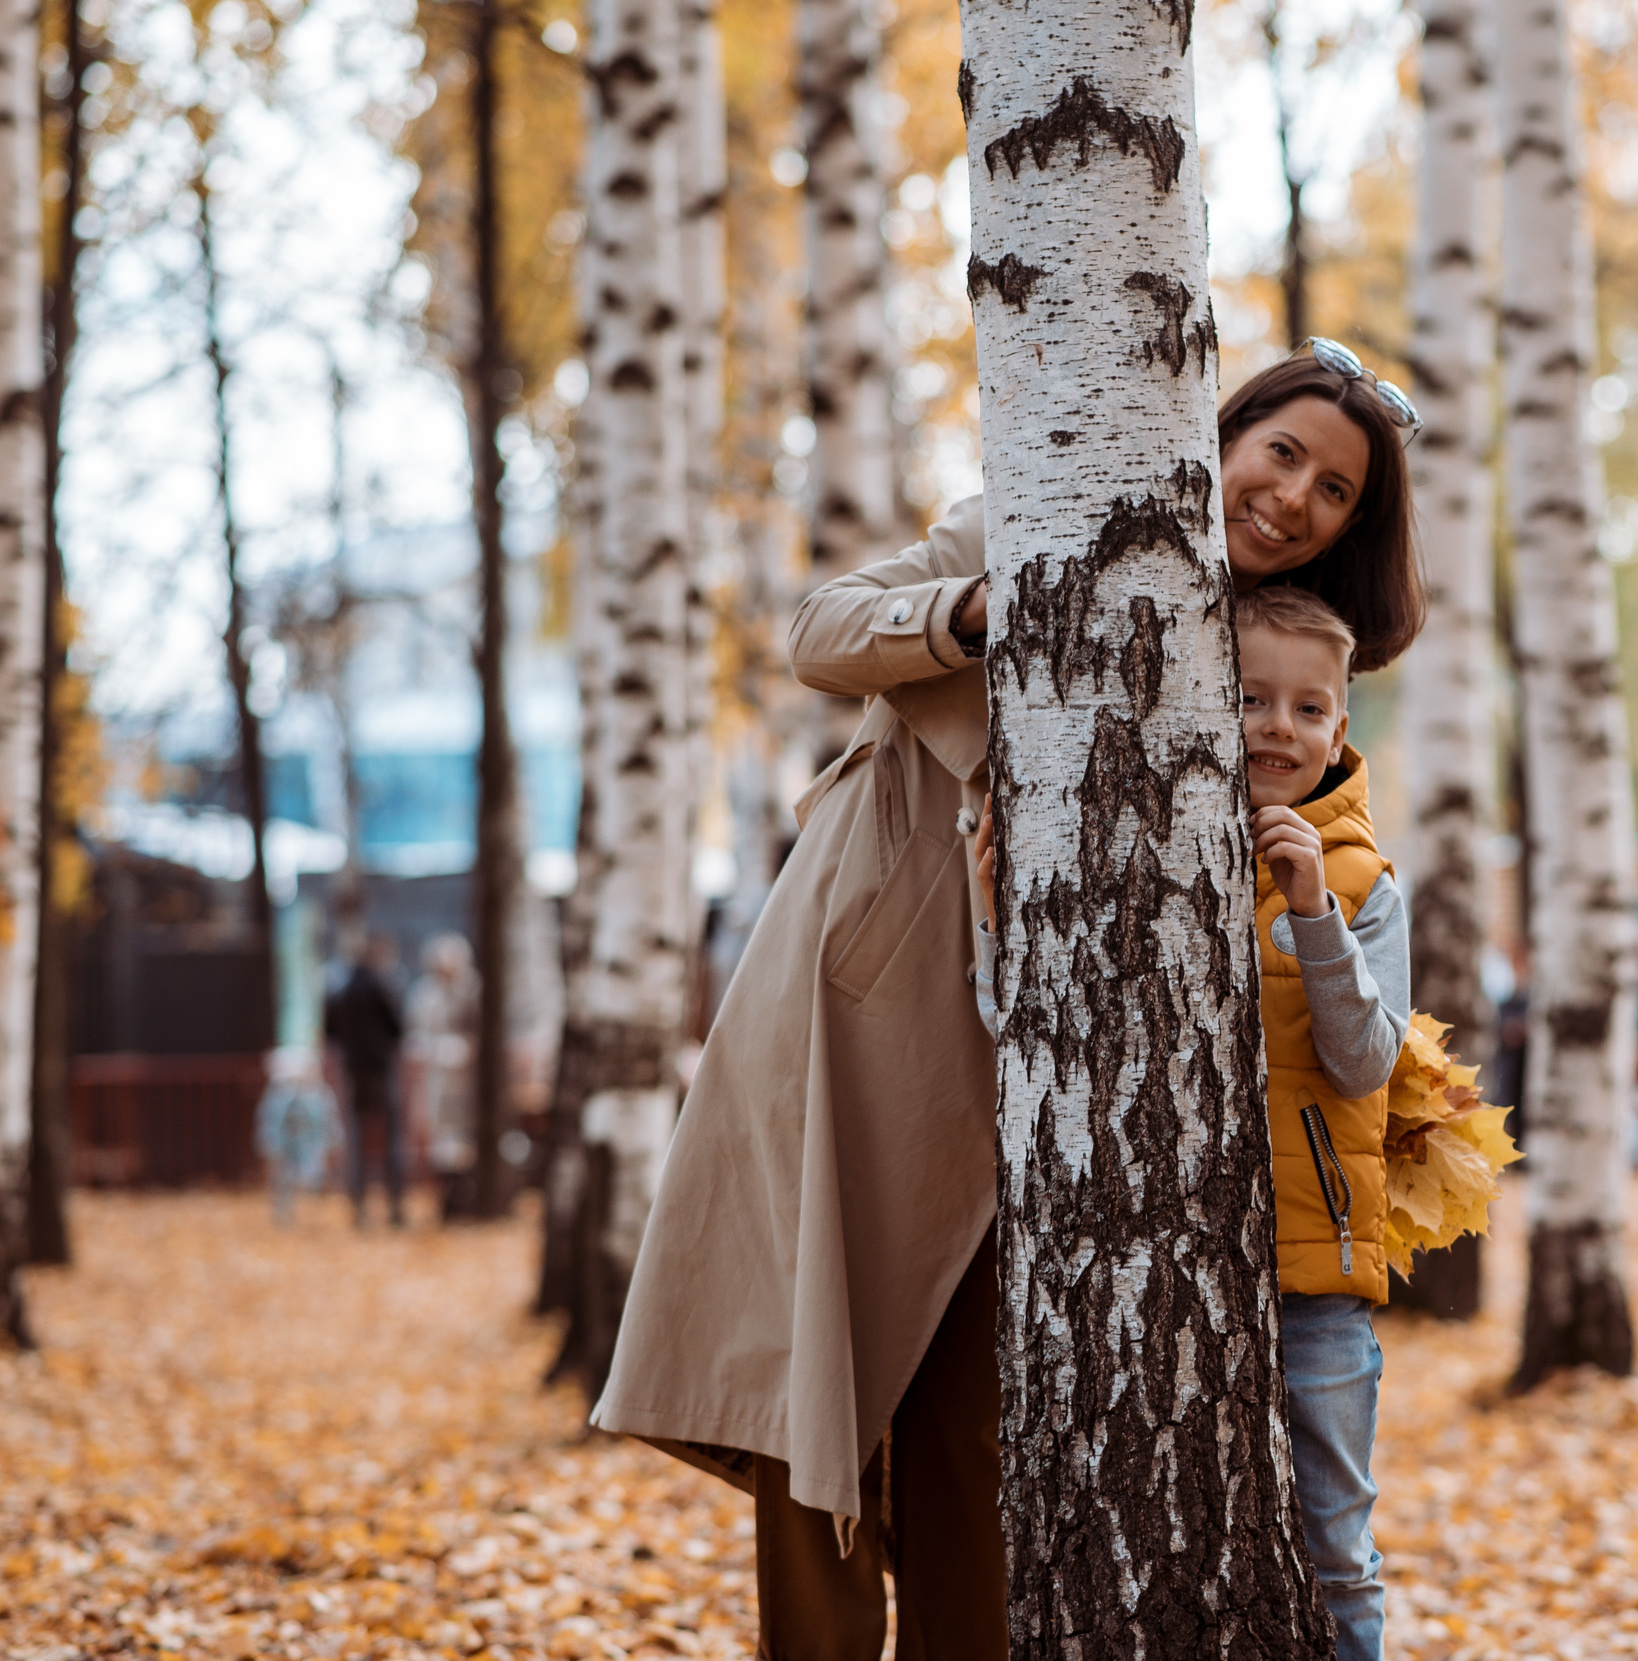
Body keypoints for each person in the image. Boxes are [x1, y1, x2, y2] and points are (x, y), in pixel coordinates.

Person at [590, 342, 1427, 1661]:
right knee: (827, 1364)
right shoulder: (1039, 525)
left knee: (979, 1410)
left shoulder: (1281, 661)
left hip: (1063, 1048)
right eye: (1285, 453)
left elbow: (1328, 856)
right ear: (1225, 431)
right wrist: (993, 607)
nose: (1295, 498)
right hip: (875, 984)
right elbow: (818, 632)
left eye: (1336, 493)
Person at [967, 586, 1406, 1659]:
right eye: (1252, 696)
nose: (1276, 726)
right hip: (1161, 1266)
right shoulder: (1146, 848)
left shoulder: (1360, 880)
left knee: (1333, 1548)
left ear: (1340, 731)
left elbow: (1367, 1058)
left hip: (1314, 1283)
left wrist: (1312, 914)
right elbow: (1026, 1033)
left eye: (1309, 709)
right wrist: (991, 920)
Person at [325, 933, 407, 1228]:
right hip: (381, 1069)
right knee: (392, 1139)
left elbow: (329, 1030)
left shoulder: (341, 990)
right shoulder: (381, 987)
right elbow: (398, 1027)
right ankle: (395, 1207)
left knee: (356, 1141)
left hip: (353, 1070)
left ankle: (358, 1208)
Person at [406, 933, 482, 1221]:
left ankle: (465, 1198)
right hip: (437, 1079)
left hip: (467, 1081)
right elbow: (416, 1033)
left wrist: (465, 1050)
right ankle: (446, 1200)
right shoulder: (425, 995)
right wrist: (433, 1051)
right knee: (441, 1139)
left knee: (466, 1140)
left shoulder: (473, 990)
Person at [256, 1045, 343, 1227]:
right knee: (284, 1180)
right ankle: (285, 1217)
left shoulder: (318, 1095)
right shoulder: (279, 1096)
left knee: (312, 1180)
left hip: (310, 1147)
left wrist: (331, 1142)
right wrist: (271, 1146)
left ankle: (310, 1218)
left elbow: (327, 1121)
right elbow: (270, 1123)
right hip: (286, 1148)